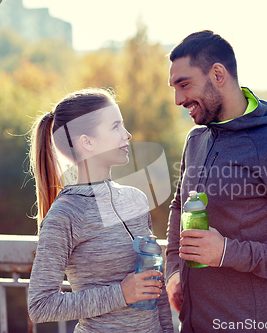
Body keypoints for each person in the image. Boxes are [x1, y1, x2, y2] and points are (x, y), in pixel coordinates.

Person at [165, 30, 267, 332]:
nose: (178, 99)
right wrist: (173, 271)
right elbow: (180, 205)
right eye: (174, 88)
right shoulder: (195, 139)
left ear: (218, 74)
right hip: (190, 324)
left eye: (184, 84)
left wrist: (228, 252)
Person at [27, 88, 174, 332]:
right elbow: (40, 305)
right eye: (115, 127)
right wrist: (121, 293)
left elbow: (155, 287)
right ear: (88, 141)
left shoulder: (135, 200)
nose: (127, 135)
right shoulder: (66, 213)